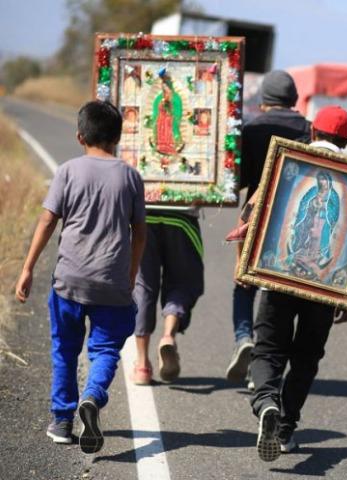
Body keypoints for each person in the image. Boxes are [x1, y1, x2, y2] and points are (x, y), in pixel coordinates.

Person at [243, 105, 347, 462]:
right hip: (325, 289)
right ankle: (286, 428)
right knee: (306, 359)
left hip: (279, 279)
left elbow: (256, 216)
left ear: (312, 134)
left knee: (268, 350)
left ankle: (265, 404)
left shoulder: (285, 169)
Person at [14, 101, 146, 453]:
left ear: (79, 136)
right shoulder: (131, 176)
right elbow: (140, 233)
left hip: (69, 281)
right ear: (118, 137)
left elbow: (47, 221)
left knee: (65, 350)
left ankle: (62, 420)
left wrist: (27, 268)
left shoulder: (68, 171)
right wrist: (130, 275)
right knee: (104, 350)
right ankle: (92, 395)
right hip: (112, 283)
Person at [226, 70, 310, 386]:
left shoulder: (252, 129)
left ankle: (244, 336)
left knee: (244, 281)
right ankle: (261, 365)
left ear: (264, 101)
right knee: (278, 293)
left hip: (254, 217)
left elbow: (239, 182)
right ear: (294, 99)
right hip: (296, 223)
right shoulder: (309, 130)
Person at [129, 206, 205, 384]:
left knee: (143, 287)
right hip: (182, 217)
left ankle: (142, 366)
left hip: (144, 214)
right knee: (182, 282)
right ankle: (168, 336)